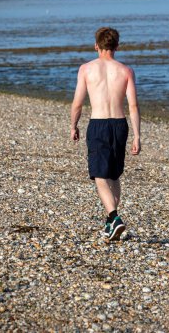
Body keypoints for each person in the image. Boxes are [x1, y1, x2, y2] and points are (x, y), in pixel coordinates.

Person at [70, 27, 141, 241]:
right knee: (114, 175)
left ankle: (114, 217)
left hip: (99, 124)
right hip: (120, 125)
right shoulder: (126, 71)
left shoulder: (86, 69)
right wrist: (137, 136)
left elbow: (77, 103)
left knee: (99, 176)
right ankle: (110, 225)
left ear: (96, 46)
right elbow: (134, 107)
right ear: (117, 46)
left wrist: (74, 125)